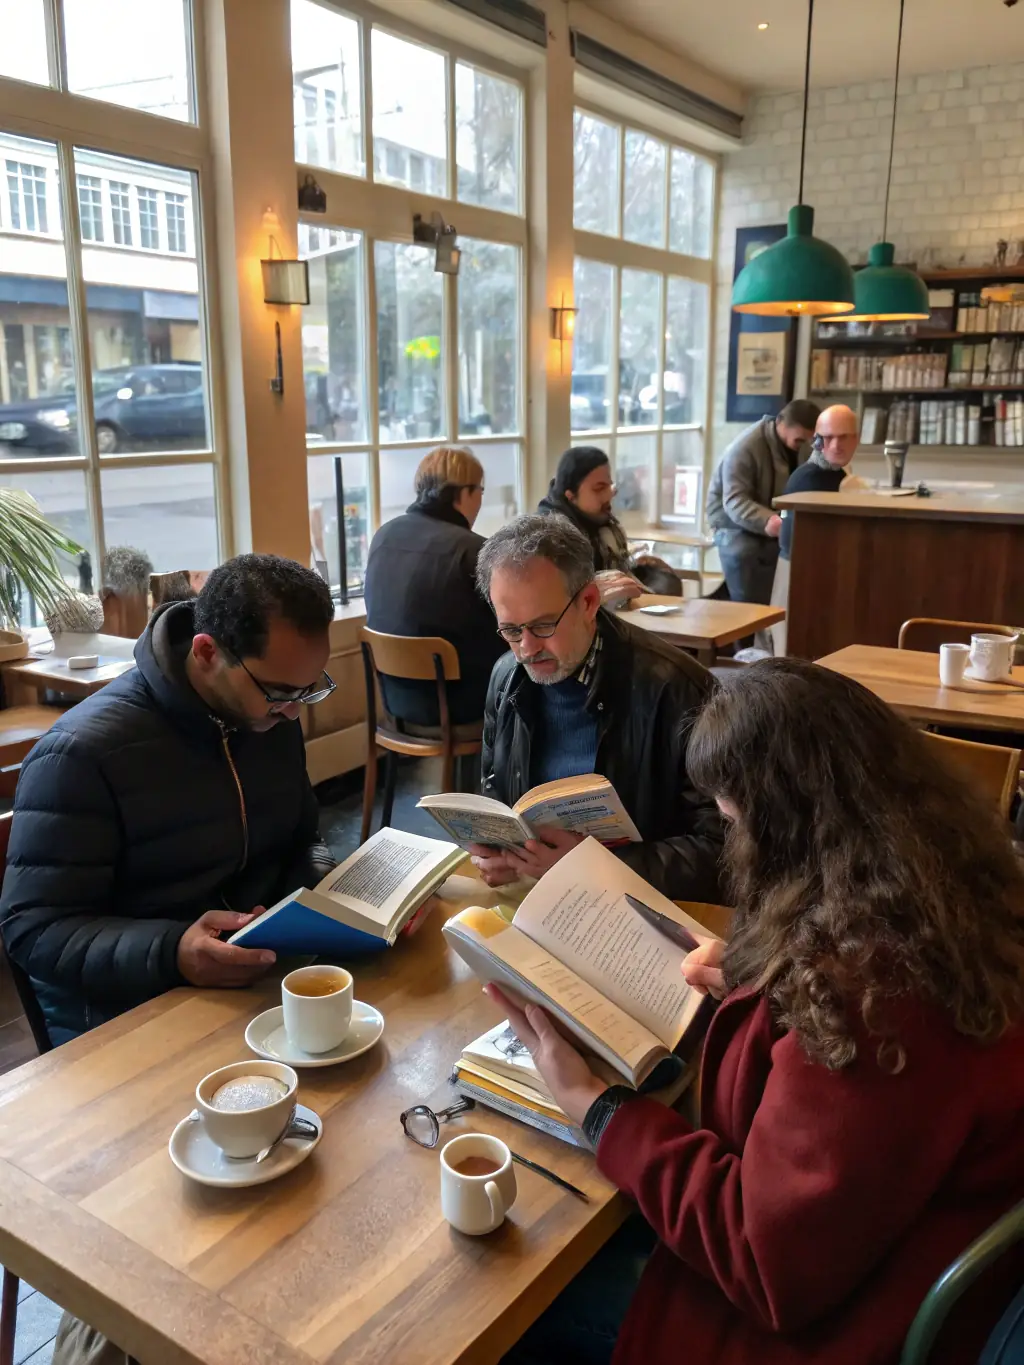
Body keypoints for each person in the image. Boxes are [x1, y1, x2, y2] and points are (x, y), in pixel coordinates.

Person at [496, 659, 1024, 1365]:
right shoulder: (945, 889)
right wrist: (762, 977)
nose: (732, 840)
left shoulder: (868, 992)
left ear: (791, 826)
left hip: (824, 1324)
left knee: (525, 1292)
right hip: (905, 1248)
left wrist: (597, 1106)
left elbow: (760, 1255)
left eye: (733, 818)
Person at [0, 553, 337, 1047]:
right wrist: (172, 950)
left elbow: (303, 839)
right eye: (280, 691)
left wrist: (343, 894)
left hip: (257, 984)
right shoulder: (81, 755)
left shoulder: (267, 717)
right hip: (133, 1013)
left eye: (309, 690)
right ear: (205, 652)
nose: (292, 711)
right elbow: (33, 930)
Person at [470, 514, 724, 901]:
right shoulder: (507, 678)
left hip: (644, 911)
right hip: (536, 897)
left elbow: (724, 850)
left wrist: (600, 868)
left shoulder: (677, 689)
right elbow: (495, 792)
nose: (526, 648)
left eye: (542, 626)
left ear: (589, 601)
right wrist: (497, 851)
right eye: (510, 630)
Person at [363, 445, 507, 730]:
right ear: (463, 493)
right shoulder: (473, 551)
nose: (480, 499)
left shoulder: (384, 535)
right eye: (480, 490)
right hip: (460, 705)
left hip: (394, 699)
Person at [706, 398, 820, 605]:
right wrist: (770, 521)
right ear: (781, 424)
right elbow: (734, 501)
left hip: (772, 517)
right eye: (800, 440)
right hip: (729, 523)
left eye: (810, 440)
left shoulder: (800, 444)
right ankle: (746, 620)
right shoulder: (745, 447)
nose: (806, 447)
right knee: (746, 553)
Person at [772, 403, 865, 655]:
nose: (835, 445)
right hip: (800, 575)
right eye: (827, 438)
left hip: (823, 574)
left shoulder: (837, 475)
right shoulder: (809, 479)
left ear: (856, 439)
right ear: (817, 441)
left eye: (843, 437)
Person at [537, 445, 680, 598]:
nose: (609, 495)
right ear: (570, 495)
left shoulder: (596, 520)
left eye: (609, 486)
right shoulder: (554, 538)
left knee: (667, 580)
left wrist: (637, 566)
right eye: (599, 489)